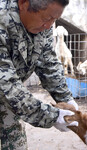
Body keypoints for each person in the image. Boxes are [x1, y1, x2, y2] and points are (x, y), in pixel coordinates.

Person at [0, 0, 78, 149]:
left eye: (54, 19)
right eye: (46, 18)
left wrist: (65, 97)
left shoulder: (43, 25)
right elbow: (6, 86)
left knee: (16, 145)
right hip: (7, 92)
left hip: (9, 102)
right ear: (23, 3)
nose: (49, 26)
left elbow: (47, 61)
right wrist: (53, 116)